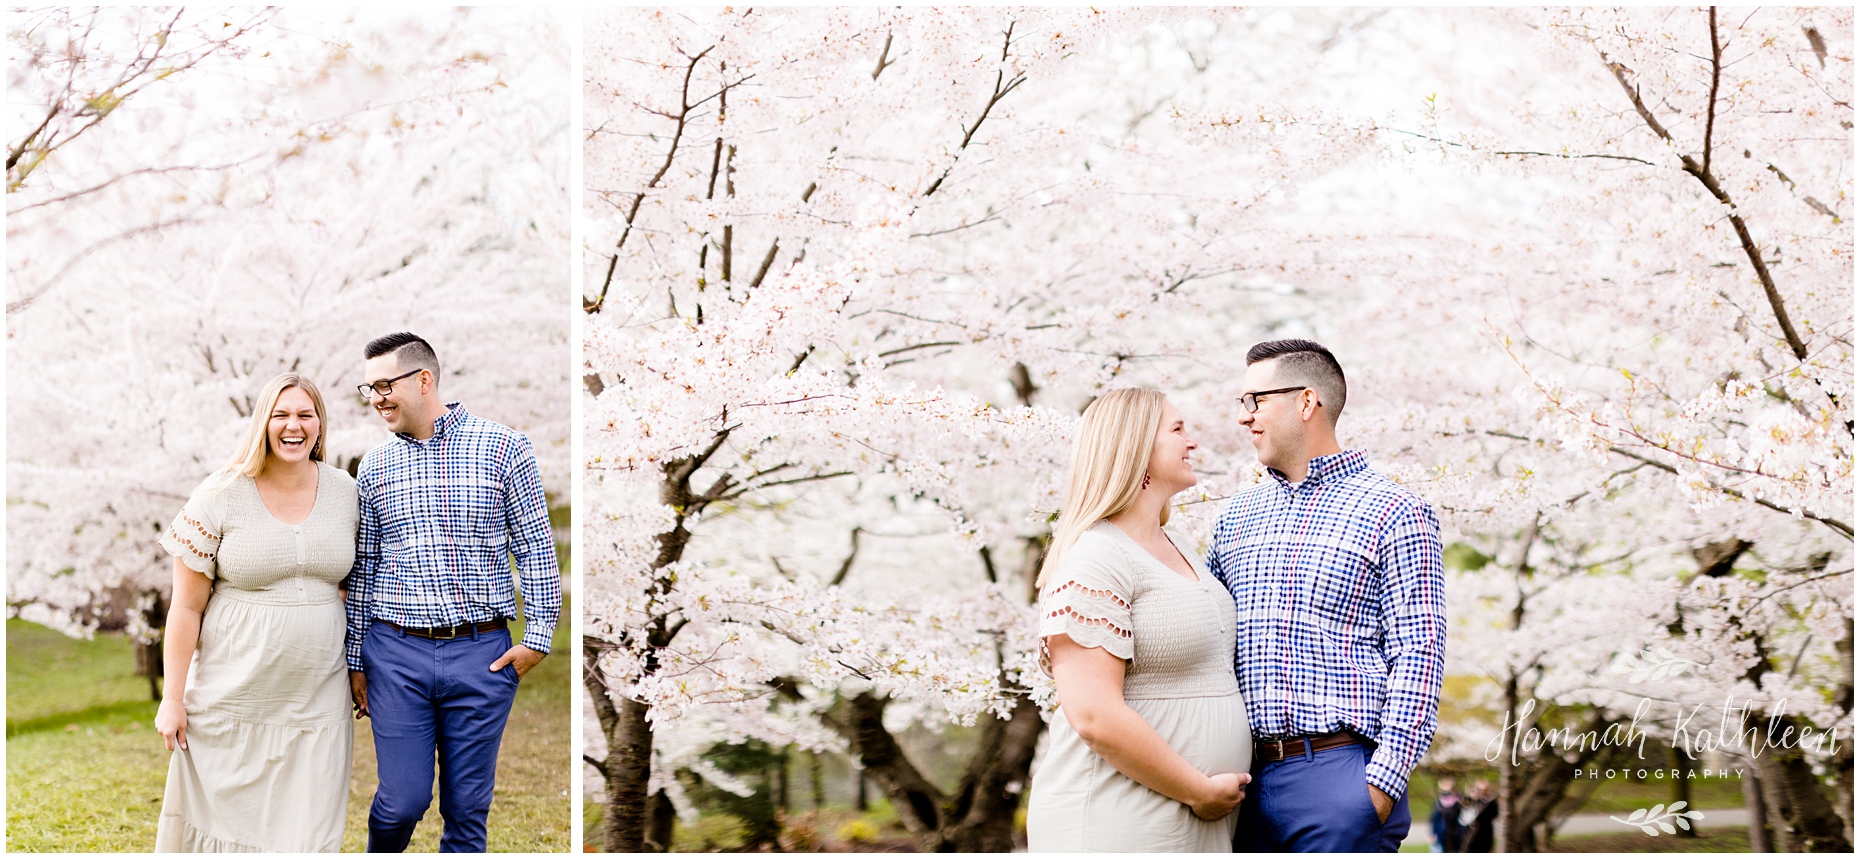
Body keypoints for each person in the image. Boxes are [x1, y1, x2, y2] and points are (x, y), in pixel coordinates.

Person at [1208, 339, 1446, 853]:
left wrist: (1380, 785)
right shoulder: (1233, 518)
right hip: (1237, 783)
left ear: (1306, 401)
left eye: (1256, 401)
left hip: (1338, 777)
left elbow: (1419, 653)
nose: (1245, 418)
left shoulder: (1395, 511)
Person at [344, 332, 560, 852]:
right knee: (403, 800)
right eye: (367, 388)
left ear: (423, 380)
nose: (376, 398)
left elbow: (534, 545)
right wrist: (356, 659)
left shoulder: (504, 446)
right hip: (395, 654)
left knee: (467, 810)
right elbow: (366, 567)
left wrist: (538, 638)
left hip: (480, 655)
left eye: (384, 385)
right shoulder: (373, 466)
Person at [1025, 388, 1253, 852]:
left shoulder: (1178, 547)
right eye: (1177, 429)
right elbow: (1093, 714)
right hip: (1119, 814)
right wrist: (1198, 790)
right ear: (1135, 449)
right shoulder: (1096, 556)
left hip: (1191, 818)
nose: (1193, 442)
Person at [154, 374, 359, 852]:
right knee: (226, 835)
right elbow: (185, 607)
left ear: (320, 425)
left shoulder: (346, 491)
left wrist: (359, 666)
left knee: (310, 834)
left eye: (305, 415)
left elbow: (356, 588)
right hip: (233, 699)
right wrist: (173, 698)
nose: (293, 426)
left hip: (318, 699)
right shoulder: (221, 492)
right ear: (262, 423)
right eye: (280, 415)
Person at [1430, 777, 1463, 852]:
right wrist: (1433, 834)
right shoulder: (1438, 803)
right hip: (1440, 835)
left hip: (1453, 837)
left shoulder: (1457, 803)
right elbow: (1433, 820)